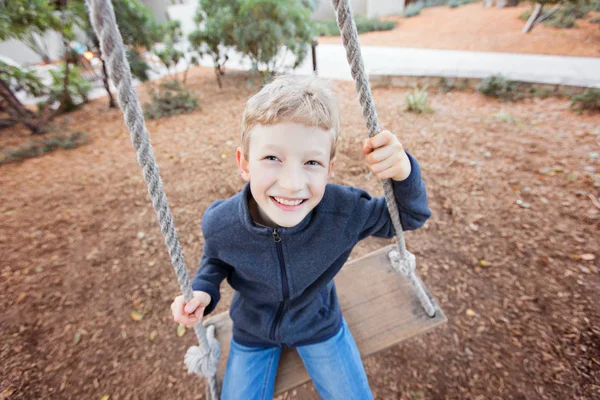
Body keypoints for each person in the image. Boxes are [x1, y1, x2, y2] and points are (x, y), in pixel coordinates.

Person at [171, 75, 431, 399]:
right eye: (272, 158)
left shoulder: (343, 212)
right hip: (252, 329)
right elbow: (215, 259)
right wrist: (203, 293)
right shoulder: (222, 223)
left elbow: (408, 216)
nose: (293, 183)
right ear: (244, 163)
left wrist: (404, 171)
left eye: (311, 162)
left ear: (329, 169)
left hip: (318, 322)